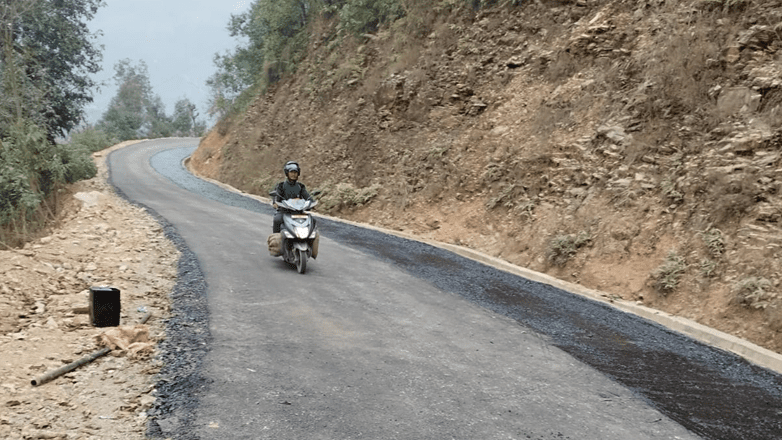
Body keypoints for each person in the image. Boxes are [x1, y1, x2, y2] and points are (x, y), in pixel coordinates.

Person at [272, 161, 312, 233]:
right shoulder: (281, 186)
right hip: (284, 211)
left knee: (312, 220)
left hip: (298, 211)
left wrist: (311, 202)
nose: (293, 174)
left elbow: (307, 196)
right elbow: (276, 196)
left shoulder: (300, 186)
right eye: (291, 172)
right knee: (277, 219)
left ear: (298, 173)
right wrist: (275, 202)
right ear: (287, 173)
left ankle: (310, 240)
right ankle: (276, 239)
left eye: (295, 172)